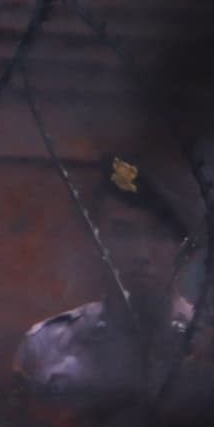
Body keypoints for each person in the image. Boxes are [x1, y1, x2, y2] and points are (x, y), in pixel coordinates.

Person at [17, 156, 195, 401]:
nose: (141, 254)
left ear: (183, 247)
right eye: (123, 233)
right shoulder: (50, 347)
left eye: (159, 234)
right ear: (96, 242)